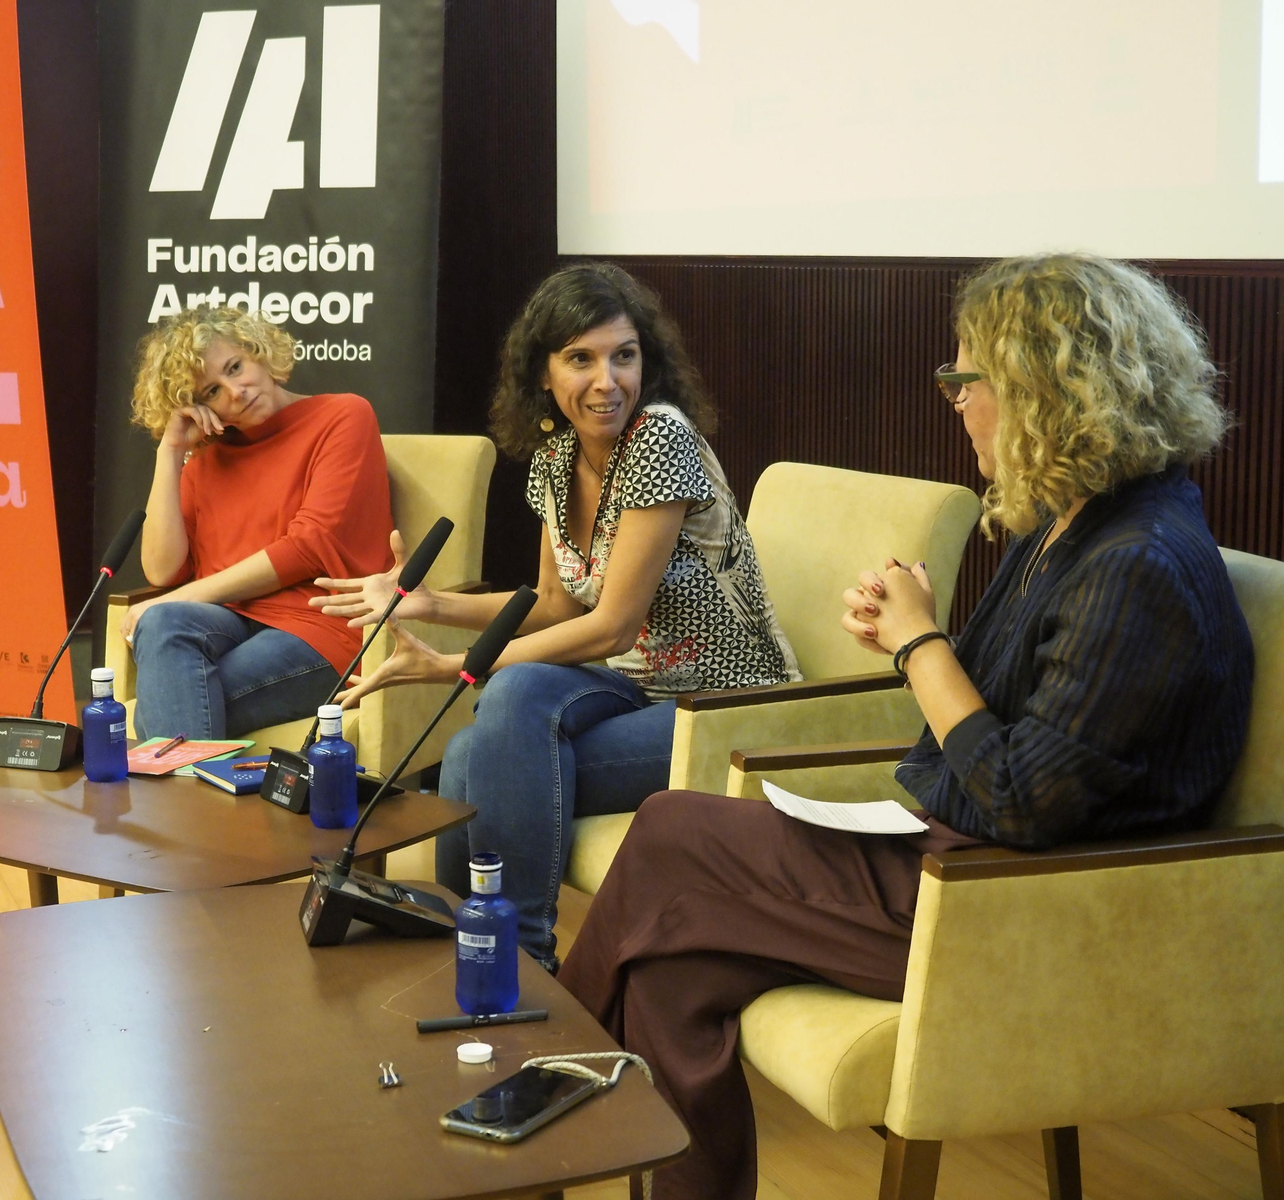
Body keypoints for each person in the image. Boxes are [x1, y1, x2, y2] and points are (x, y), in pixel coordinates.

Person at [557, 253, 1255, 1200]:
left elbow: (1021, 798)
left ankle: (543, 1085)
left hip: (1026, 913)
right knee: (674, 977)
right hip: (958, 858)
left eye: (968, 379)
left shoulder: (1141, 563)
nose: (956, 401)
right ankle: (566, 1099)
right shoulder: (1075, 521)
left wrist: (921, 642)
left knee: (674, 830)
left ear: (1047, 388)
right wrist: (920, 637)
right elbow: (1023, 710)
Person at [312, 263, 798, 968]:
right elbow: (554, 603)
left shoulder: (660, 438)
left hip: (725, 705)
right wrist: (426, 602)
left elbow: (612, 626)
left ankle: (519, 958)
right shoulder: (554, 459)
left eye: (623, 356)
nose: (607, 381)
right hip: (636, 689)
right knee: (481, 738)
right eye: (581, 359)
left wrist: (451, 664)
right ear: (543, 372)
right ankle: (466, 947)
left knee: (476, 750)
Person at [121, 304, 393, 740]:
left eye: (235, 367)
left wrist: (175, 598)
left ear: (258, 352)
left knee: (176, 698)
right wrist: (170, 454)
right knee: (164, 625)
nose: (235, 391)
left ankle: (170, 808)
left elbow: (304, 549)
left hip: (317, 627)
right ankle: (189, 806)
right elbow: (161, 569)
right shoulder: (207, 459)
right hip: (228, 624)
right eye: (211, 391)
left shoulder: (343, 416)